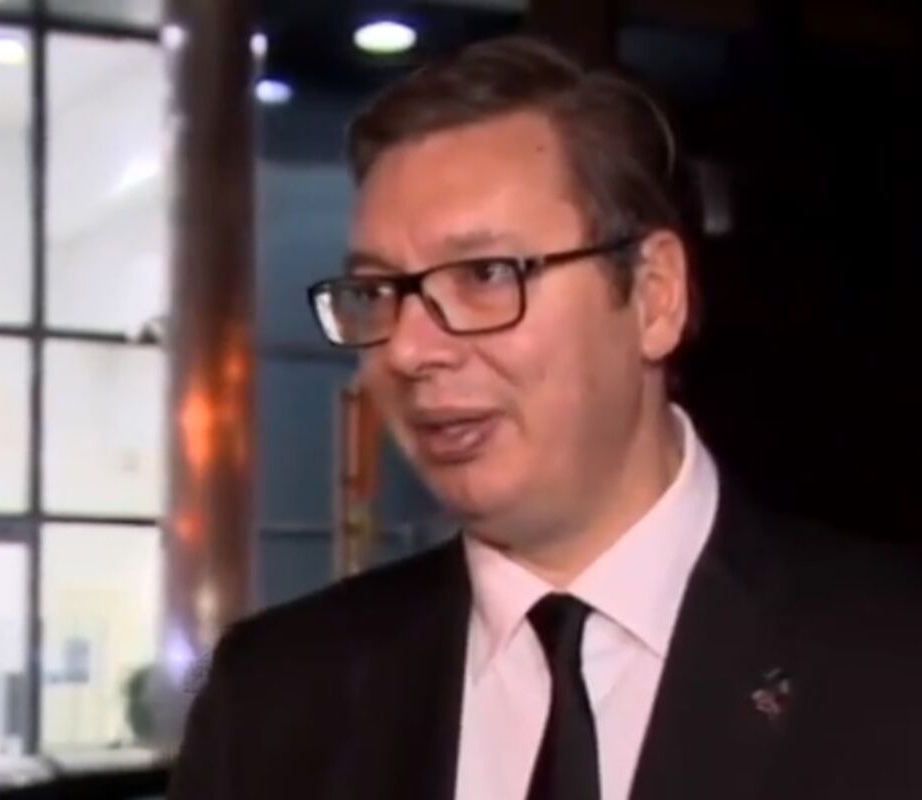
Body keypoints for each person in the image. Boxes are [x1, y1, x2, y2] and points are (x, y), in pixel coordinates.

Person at [168, 36, 922, 800]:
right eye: (376, 293)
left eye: (486, 275)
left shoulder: (894, 660)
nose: (408, 349)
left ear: (655, 297)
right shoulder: (270, 702)